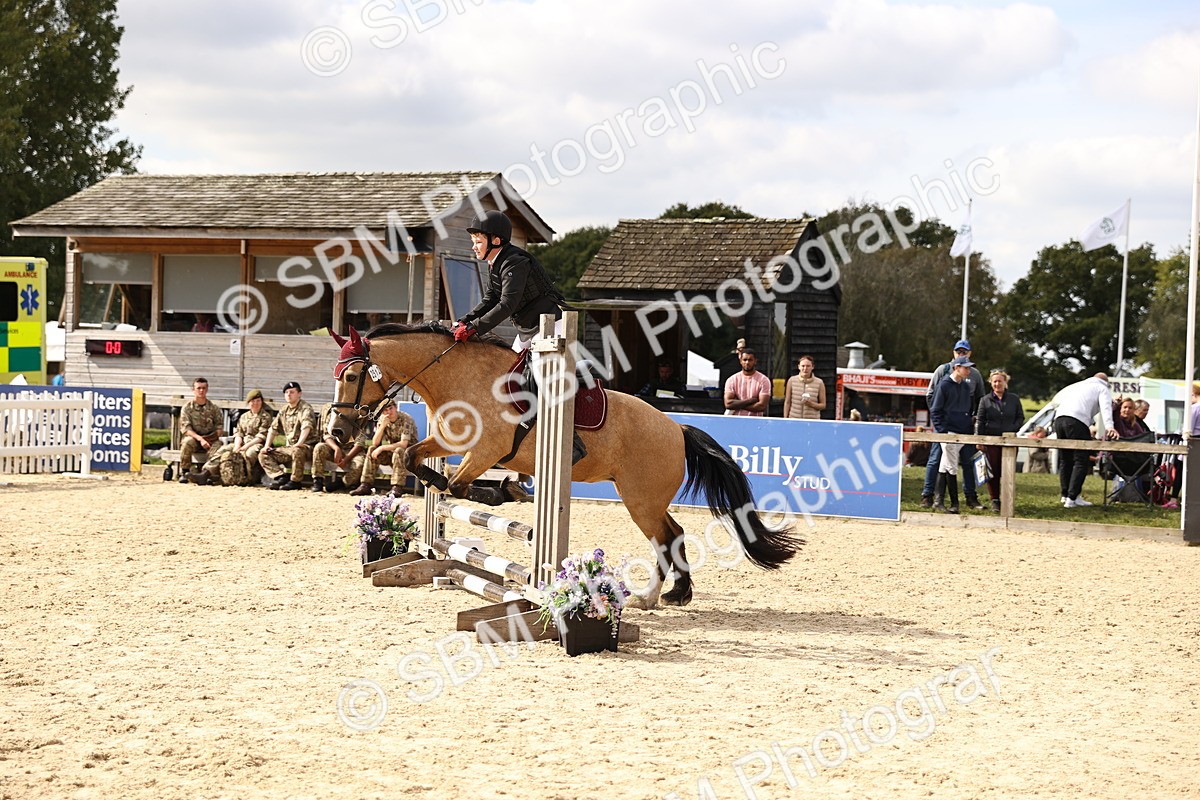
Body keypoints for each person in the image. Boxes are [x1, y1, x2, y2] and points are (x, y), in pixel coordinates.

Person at [451, 210, 567, 353]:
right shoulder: (496, 263)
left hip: (550, 325)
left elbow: (507, 304)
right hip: (528, 329)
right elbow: (490, 300)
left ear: (496, 241)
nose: (474, 247)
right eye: (473, 242)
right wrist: (464, 321)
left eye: (479, 242)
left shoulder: (514, 263)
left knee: (537, 372)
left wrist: (473, 328)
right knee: (511, 371)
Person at [921, 339, 986, 509]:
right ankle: (934, 497)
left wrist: (972, 421)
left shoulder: (972, 378)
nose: (961, 353)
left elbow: (978, 400)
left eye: (964, 351)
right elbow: (932, 399)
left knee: (960, 462)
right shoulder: (942, 372)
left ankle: (954, 499)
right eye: (959, 351)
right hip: (945, 428)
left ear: (969, 353)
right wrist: (941, 426)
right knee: (939, 462)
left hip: (963, 429)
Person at [1053, 372, 1118, 508]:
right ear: (1106, 383)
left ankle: (1065, 496)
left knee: (1065, 459)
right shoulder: (1103, 388)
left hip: (1059, 419)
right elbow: (1106, 408)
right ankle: (1072, 498)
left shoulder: (1078, 385)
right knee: (1081, 460)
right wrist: (1110, 427)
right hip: (1077, 421)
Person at [189, 388, 274, 486]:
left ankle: (244, 477)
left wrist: (245, 447)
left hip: (257, 444)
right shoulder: (244, 417)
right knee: (223, 450)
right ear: (249, 403)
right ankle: (205, 473)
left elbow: (262, 436)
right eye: (253, 401)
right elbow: (239, 433)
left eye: (258, 401)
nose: (255, 403)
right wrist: (237, 446)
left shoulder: (265, 416)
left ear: (261, 402)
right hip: (242, 442)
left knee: (249, 454)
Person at [929, 356, 976, 513]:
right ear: (957, 367)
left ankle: (939, 500)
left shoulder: (965, 387)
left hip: (961, 432)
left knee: (945, 466)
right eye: (966, 368)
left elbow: (968, 410)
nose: (968, 371)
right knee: (952, 466)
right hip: (948, 432)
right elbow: (935, 410)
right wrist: (942, 431)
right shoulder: (944, 385)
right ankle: (954, 503)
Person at [975, 369, 1025, 512]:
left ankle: (1008, 499)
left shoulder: (1014, 399)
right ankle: (995, 500)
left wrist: (1012, 429)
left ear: (1005, 382)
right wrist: (980, 440)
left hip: (1010, 440)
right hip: (992, 441)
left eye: (1000, 381)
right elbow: (980, 420)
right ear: (991, 383)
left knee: (1008, 471)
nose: (997, 384)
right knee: (993, 472)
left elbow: (1020, 417)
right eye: (995, 381)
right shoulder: (984, 400)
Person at [351, 399, 418, 497]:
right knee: (372, 449)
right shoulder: (382, 420)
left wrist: (382, 448)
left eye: (391, 408)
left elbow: (404, 444)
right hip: (392, 453)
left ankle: (397, 487)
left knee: (399, 451)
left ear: (396, 408)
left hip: (408, 454)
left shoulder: (406, 419)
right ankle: (365, 485)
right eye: (385, 410)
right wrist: (382, 427)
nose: (389, 412)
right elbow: (375, 442)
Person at [259, 381, 317, 491]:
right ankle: (281, 477)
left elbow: (306, 427)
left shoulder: (305, 408)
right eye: (286, 392)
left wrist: (299, 444)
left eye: (292, 392)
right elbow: (273, 429)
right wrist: (266, 446)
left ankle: (295, 481)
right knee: (263, 455)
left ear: (299, 394)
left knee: (297, 451)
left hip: (308, 447)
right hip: (290, 448)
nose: (289, 395)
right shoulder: (284, 410)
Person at [311, 403, 370, 493]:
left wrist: (346, 459)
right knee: (319, 447)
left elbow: (360, 444)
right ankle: (317, 481)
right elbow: (326, 435)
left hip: (352, 450)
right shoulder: (332, 414)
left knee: (360, 464)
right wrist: (336, 449)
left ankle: (343, 483)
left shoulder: (358, 415)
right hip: (335, 448)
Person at [178, 377, 224, 483]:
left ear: (207, 390)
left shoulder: (214, 408)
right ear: (193, 390)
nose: (201, 391)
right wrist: (200, 439)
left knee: (219, 446)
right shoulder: (187, 408)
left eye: (204, 388)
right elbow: (186, 429)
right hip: (195, 439)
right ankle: (184, 472)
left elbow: (219, 427)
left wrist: (210, 439)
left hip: (210, 439)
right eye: (198, 388)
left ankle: (207, 474)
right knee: (187, 442)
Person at [723, 348, 771, 417]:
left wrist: (737, 404)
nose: (747, 362)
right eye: (745, 360)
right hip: (735, 422)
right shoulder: (732, 380)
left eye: (750, 360)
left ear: (755, 361)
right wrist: (751, 401)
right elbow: (728, 404)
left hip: (755, 422)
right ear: (740, 361)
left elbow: (762, 406)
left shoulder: (763, 380)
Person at [783, 355, 826, 420]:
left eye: (808, 366)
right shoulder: (792, 380)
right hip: (794, 419)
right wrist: (785, 419)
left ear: (812, 367)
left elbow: (823, 405)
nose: (805, 368)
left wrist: (811, 404)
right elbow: (787, 402)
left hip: (812, 420)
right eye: (803, 366)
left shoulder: (819, 382)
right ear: (799, 367)